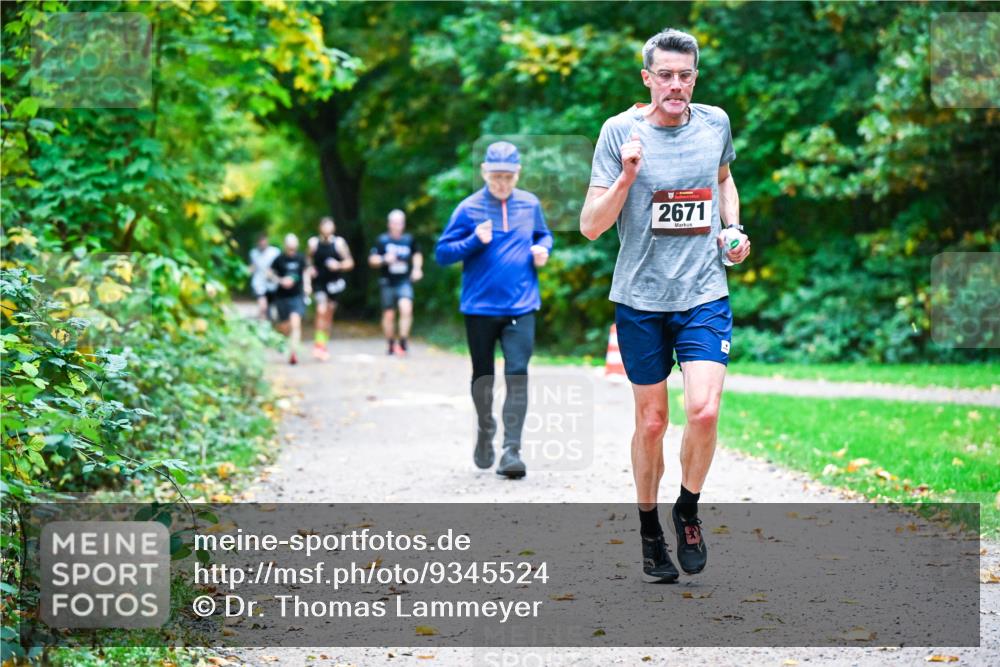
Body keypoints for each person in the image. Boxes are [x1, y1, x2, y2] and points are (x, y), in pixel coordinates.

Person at [579, 29, 750, 581]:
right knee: (652, 423)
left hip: (703, 292)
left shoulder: (715, 123)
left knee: (704, 411)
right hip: (640, 299)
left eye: (685, 75)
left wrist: (732, 228)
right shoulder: (619, 132)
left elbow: (724, 180)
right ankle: (650, 529)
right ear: (647, 78)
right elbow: (590, 226)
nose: (675, 85)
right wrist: (627, 176)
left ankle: (687, 510)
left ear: (695, 78)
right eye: (665, 75)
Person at [436, 141, 553, 479]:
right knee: (483, 377)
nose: (502, 183)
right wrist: (474, 240)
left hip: (521, 304)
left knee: (517, 373)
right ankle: (485, 427)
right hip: (479, 307)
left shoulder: (530, 204)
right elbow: (442, 254)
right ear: (485, 173)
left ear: (518, 174)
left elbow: (544, 236)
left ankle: (511, 450)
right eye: (496, 176)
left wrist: (542, 249)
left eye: (508, 177)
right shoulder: (468, 208)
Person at [369, 209, 423, 356]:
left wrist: (417, 269)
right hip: (387, 281)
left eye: (400, 223)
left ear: (403, 224)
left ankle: (403, 341)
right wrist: (384, 259)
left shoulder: (409, 239)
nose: (397, 226)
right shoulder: (382, 240)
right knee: (389, 314)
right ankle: (391, 343)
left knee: (406, 308)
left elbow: (417, 254)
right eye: (394, 223)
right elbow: (372, 259)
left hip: (404, 281)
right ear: (389, 224)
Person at [307, 217, 354, 361]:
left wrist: (338, 265)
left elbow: (350, 262)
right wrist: (310, 269)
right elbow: (307, 260)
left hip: (334, 284)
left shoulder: (339, 243)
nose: (327, 229)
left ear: (333, 228)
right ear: (320, 228)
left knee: (328, 314)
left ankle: (323, 345)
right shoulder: (313, 243)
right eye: (324, 226)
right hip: (319, 283)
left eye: (329, 226)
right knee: (321, 310)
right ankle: (318, 344)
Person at [269, 233, 312, 365]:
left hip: (297, 295)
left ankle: (294, 353)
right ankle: (282, 339)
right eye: (289, 248)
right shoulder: (279, 259)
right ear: (285, 246)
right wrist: (280, 280)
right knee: (284, 326)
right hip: (282, 297)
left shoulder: (301, 258)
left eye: (293, 248)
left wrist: (307, 285)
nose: (292, 250)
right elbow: (269, 273)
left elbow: (306, 272)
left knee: (295, 323)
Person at [248, 233, 279, 320]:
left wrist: (273, 273)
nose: (262, 243)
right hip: (259, 283)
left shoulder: (275, 252)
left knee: (270, 308)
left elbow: (279, 266)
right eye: (260, 241)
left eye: (263, 240)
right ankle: (262, 324)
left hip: (272, 284)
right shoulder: (253, 253)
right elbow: (252, 266)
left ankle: (267, 324)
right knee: (263, 306)